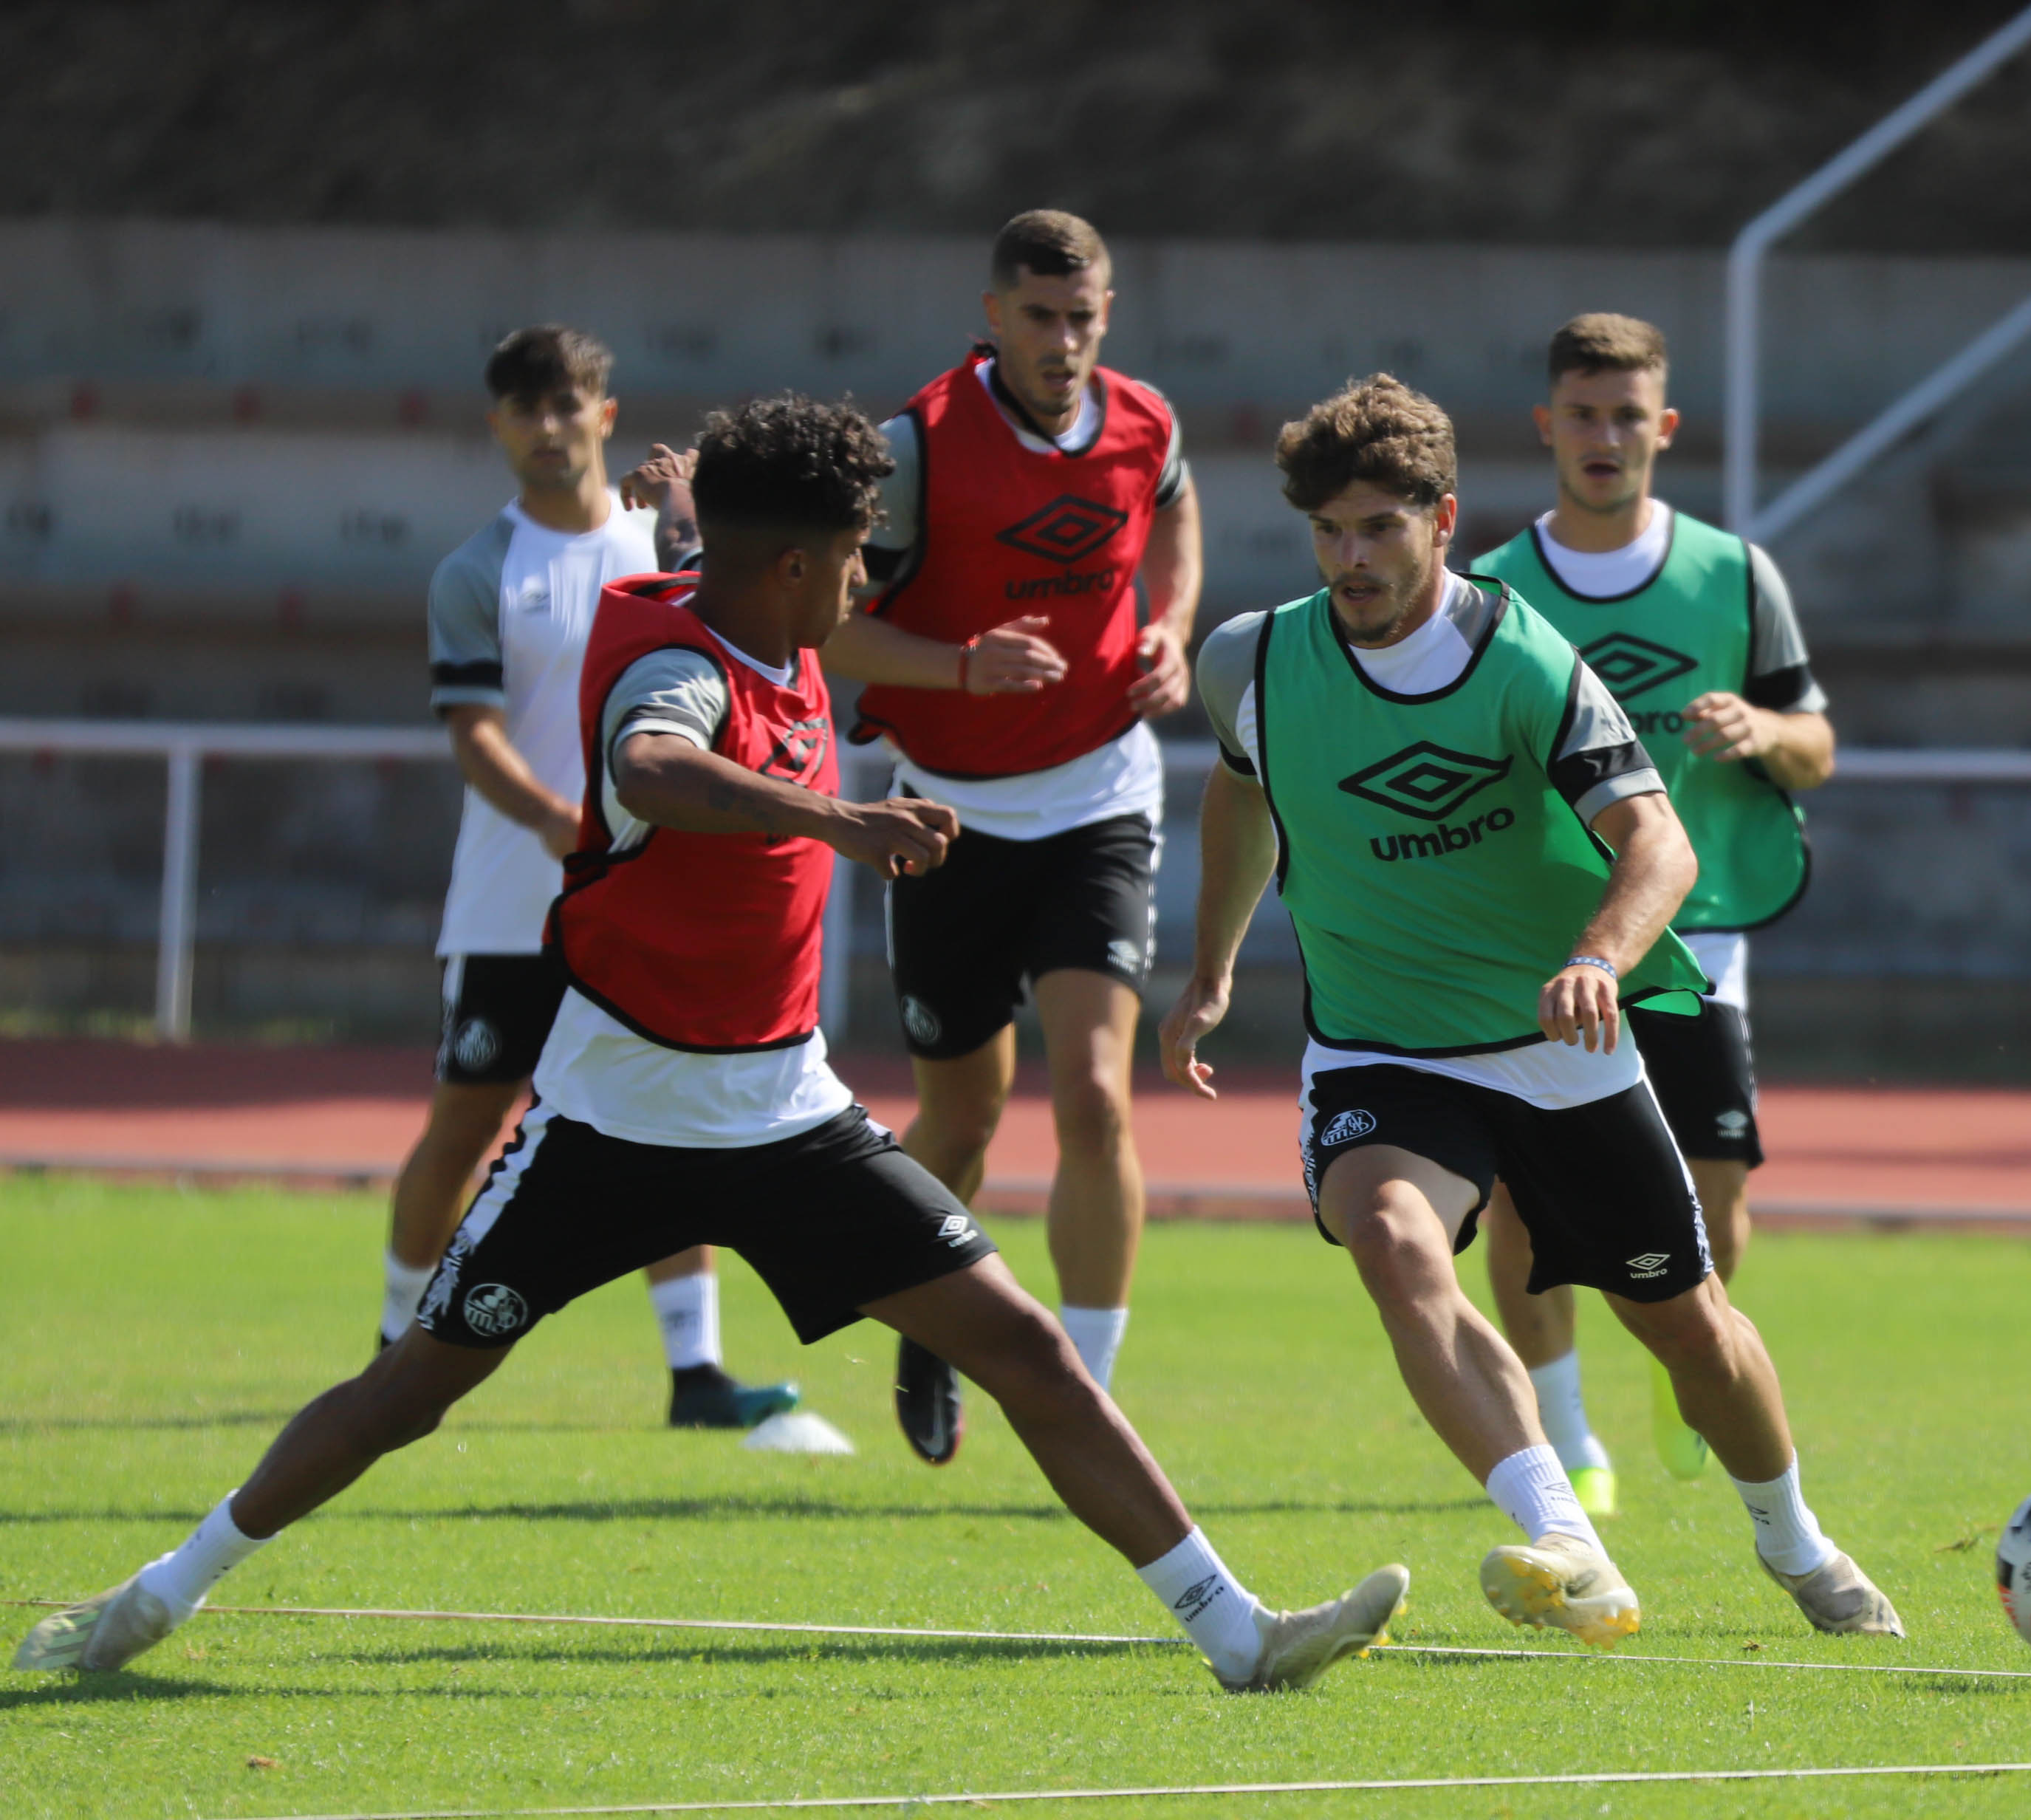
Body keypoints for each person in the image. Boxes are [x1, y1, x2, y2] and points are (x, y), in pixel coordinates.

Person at [15, 394, 1403, 1694]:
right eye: (858, 558)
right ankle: (153, 1598)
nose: (870, 583)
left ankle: (1237, 1634)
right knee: (408, 1395)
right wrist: (838, 821)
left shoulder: (733, 588)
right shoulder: (679, 664)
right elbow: (649, 766)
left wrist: (686, 497)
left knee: (1026, 1350)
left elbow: (704, 550)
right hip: (612, 1126)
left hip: (788, 1115)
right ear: (796, 569)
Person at [1162, 376, 1899, 1646]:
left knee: (1689, 1328)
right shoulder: (1252, 660)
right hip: (1382, 1051)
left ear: (1442, 521)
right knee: (1397, 1245)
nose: (1352, 557)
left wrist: (1601, 958)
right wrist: (1213, 965)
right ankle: (1568, 1535)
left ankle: (1797, 1544)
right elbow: (1241, 788)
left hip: (1560, 1051)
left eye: (1381, 528)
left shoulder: (1520, 657)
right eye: (1331, 531)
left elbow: (1658, 845)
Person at [651, 209, 1200, 1465]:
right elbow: (820, 630)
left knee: (1099, 1096)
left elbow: (1173, 510)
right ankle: (932, 1316)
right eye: (1040, 317)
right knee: (961, 1116)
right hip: (945, 812)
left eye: (1085, 316)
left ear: (1107, 315)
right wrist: (960, 665)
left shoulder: (1145, 422)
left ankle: (1086, 1388)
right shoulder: (917, 450)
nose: (1065, 341)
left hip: (1102, 798)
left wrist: (1169, 624)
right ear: (993, 318)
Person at [1469, 314, 1835, 1511]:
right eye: (1583, 412)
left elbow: (1817, 744)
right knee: (1526, 1199)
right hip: (1545, 940)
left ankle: (1697, 1375)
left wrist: (1764, 734)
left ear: (1664, 428)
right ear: (1548, 425)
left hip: (1702, 930)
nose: (1605, 436)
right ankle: (1570, 1435)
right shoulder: (1495, 589)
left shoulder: (1735, 574)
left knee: (1715, 1198)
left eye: (1629, 415)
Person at [400, 324, 792, 1430]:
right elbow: (476, 736)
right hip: (510, 904)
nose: (548, 425)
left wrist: (687, 498)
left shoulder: (655, 549)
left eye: (567, 403)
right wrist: (570, 826)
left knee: (660, 1114)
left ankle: (696, 1373)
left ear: (605, 416)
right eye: (525, 407)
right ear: (497, 426)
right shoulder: (479, 570)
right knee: (463, 1123)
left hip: (634, 906)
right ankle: (392, 1342)